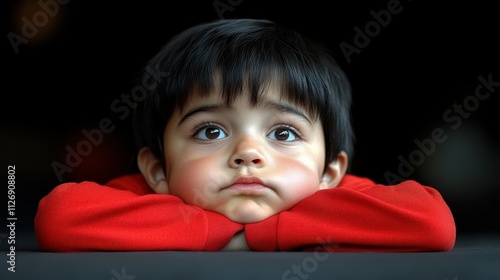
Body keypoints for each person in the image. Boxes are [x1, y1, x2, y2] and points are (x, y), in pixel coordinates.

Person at [34, 18, 456, 252]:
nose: (248, 153)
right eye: (211, 130)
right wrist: (218, 229)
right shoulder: (144, 194)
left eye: (285, 133)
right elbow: (59, 218)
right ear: (158, 168)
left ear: (330, 171)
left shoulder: (337, 194)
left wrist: (256, 235)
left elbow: (432, 223)